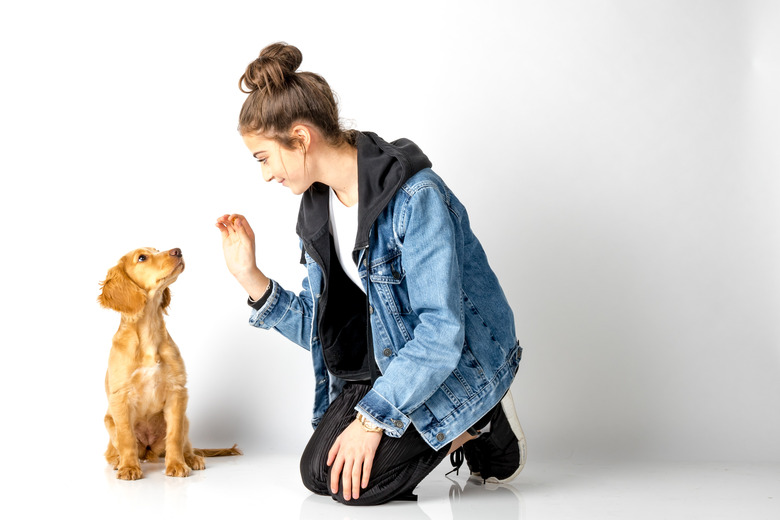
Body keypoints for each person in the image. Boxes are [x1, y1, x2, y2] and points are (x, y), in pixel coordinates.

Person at [215, 42, 526, 506]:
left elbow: (441, 331)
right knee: (318, 474)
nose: (265, 175)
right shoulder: (316, 208)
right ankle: (453, 425)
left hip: (456, 360)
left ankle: (480, 418)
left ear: (300, 138)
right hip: (388, 362)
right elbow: (326, 332)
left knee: (358, 490)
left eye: (263, 158)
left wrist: (371, 421)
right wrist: (249, 276)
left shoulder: (415, 197)